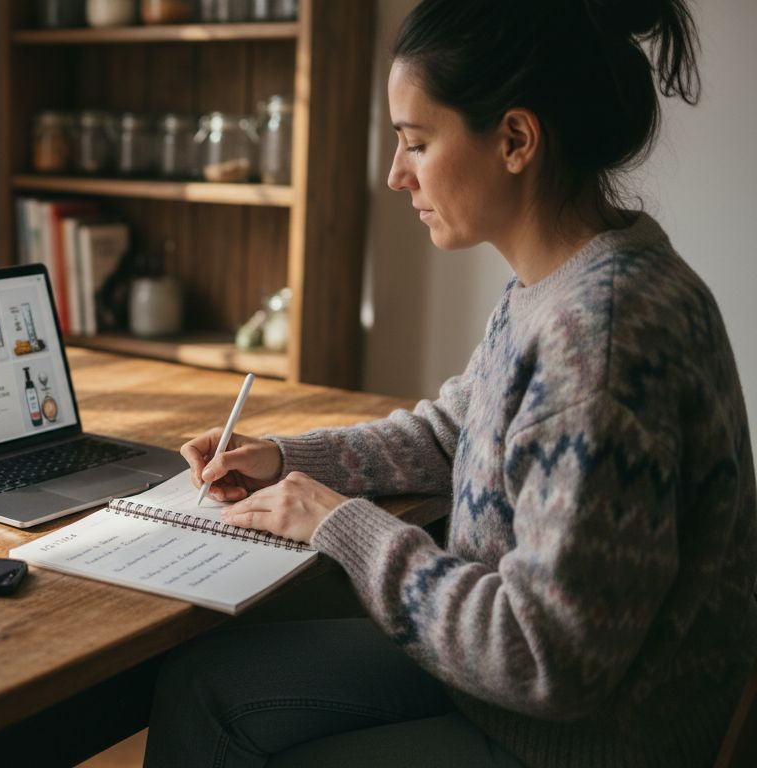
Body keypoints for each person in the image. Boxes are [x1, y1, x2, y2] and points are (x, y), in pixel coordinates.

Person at [143, 0, 757, 766]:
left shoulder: (601, 341)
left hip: (582, 740)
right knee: (200, 683)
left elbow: (545, 659)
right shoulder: (564, 282)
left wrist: (340, 524)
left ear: (515, 140)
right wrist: (286, 460)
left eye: (416, 142)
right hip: (500, 691)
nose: (398, 175)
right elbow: (455, 431)